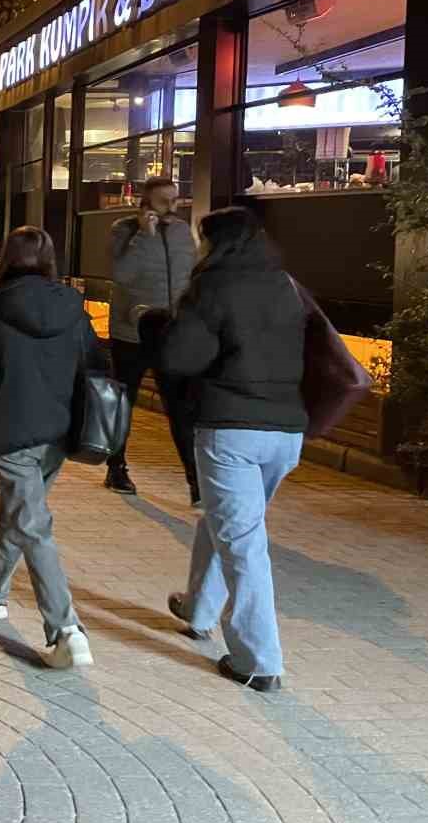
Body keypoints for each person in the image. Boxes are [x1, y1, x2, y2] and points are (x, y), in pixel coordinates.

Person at [155, 207, 307, 693]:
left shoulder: (212, 287)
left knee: (243, 541)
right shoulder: (285, 284)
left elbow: (181, 358)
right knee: (228, 519)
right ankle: (198, 608)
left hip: (231, 431)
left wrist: (162, 323)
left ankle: (258, 660)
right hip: (285, 431)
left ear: (215, 243)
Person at [0, 226, 103, 670]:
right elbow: (94, 367)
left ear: (5, 259)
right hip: (58, 432)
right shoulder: (73, 309)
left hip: (11, 432)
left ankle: (66, 630)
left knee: (32, 523)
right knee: (24, 514)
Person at [106, 176, 199, 500]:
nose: (173, 206)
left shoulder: (181, 231)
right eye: (165, 201)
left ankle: (195, 481)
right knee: (123, 402)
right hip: (131, 332)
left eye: (175, 200)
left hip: (170, 332)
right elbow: (122, 275)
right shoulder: (124, 230)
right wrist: (144, 236)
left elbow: (191, 274)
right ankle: (116, 467)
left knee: (180, 406)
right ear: (145, 203)